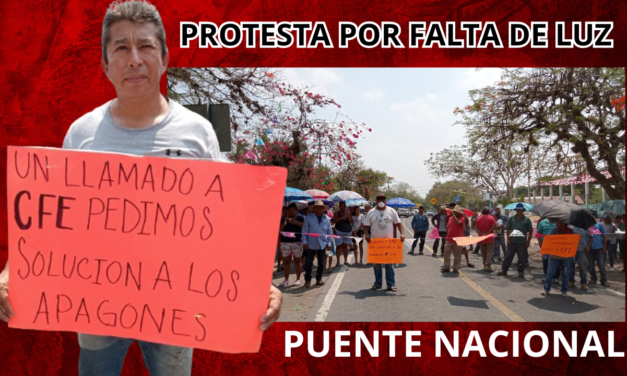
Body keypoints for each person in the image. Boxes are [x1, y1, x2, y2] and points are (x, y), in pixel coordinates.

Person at [0, 2, 282, 374]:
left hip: (178, 309)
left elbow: (223, 221)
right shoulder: (81, 133)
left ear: (164, 58)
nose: (135, 59)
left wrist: (258, 283)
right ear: (105, 64)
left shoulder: (197, 133)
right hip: (95, 306)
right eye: (121, 48)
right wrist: (12, 272)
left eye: (146, 46)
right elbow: (52, 220)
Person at [364, 194, 404, 292]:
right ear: (376, 201)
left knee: (389, 264)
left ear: (386, 201)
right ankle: (377, 283)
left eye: (383, 199)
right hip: (376, 244)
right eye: (379, 199)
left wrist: (402, 234)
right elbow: (365, 226)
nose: (381, 201)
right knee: (377, 264)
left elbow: (398, 224)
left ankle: (391, 284)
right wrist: (366, 234)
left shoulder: (391, 211)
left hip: (389, 243)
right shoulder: (371, 212)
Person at [302, 201, 334, 287]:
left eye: (320, 207)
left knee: (321, 263)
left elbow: (329, 232)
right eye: (317, 207)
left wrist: (329, 243)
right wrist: (304, 242)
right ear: (314, 208)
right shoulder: (309, 217)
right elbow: (304, 230)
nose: (319, 208)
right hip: (310, 243)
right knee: (308, 262)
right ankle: (307, 280)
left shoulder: (327, 219)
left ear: (323, 208)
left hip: (322, 243)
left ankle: (319, 279)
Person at [498, 203, 533, 278]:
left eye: (521, 210)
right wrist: (508, 240)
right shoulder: (511, 219)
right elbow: (508, 230)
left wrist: (528, 242)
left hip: (522, 243)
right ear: (516, 210)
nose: (519, 211)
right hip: (512, 242)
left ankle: (521, 272)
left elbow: (530, 231)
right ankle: (504, 270)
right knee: (508, 256)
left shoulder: (527, 220)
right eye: (518, 209)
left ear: (523, 210)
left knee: (521, 258)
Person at [542, 219, 575, 297]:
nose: (556, 224)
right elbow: (548, 241)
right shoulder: (553, 231)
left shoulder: (571, 232)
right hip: (554, 256)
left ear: (564, 224)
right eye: (556, 223)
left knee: (566, 274)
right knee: (550, 272)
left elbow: (573, 243)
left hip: (566, 257)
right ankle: (546, 289)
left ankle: (564, 291)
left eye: (558, 223)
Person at [279, 203, 304, 287]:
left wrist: (295, 222)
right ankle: (286, 279)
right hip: (285, 242)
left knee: (297, 261)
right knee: (286, 262)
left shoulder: (300, 218)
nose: (291, 212)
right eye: (289, 210)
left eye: (293, 210)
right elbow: (280, 230)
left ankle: (298, 279)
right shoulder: (283, 219)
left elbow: (304, 227)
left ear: (296, 211)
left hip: (297, 242)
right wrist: (285, 222)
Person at [441, 205, 466, 274]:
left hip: (458, 239)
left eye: (456, 212)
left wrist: (453, 215)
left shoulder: (462, 218)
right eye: (454, 212)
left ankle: (456, 268)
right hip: (449, 239)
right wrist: (446, 236)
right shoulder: (450, 218)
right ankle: (446, 267)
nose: (454, 213)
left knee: (457, 254)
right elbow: (448, 227)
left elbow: (458, 223)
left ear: (459, 213)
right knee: (446, 253)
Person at [587, 219, 608, 286]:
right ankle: (593, 278)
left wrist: (604, 247)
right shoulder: (584, 226)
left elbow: (605, 235)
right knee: (590, 265)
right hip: (589, 249)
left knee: (601, 265)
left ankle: (603, 280)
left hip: (599, 248)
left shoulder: (599, 225)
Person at [332, 201, 354, 267]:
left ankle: (345, 260)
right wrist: (342, 218)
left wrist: (347, 213)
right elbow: (334, 221)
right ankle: (338, 261)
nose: (343, 207)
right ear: (339, 206)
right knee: (338, 246)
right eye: (342, 206)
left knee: (345, 246)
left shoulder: (348, 213)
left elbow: (351, 221)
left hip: (347, 232)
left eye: (344, 206)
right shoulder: (336, 213)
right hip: (339, 231)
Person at [537, 217, 559, 282]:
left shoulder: (558, 223)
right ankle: (546, 275)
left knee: (556, 260)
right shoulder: (542, 222)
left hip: (556, 245)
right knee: (545, 260)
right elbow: (538, 233)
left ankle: (556, 277)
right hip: (545, 245)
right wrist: (540, 242)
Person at [475, 207, 496, 272]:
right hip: (489, 237)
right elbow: (493, 226)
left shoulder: (478, 218)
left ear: (482, 212)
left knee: (483, 252)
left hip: (481, 237)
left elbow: (476, 228)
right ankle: (488, 265)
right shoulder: (491, 218)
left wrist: (480, 233)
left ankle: (485, 264)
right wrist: (488, 232)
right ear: (489, 212)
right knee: (489, 251)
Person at [569, 225, 590, 290]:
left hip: (581, 250)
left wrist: (588, 246)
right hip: (571, 250)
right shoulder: (569, 227)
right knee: (570, 267)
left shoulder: (586, 228)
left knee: (582, 267)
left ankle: (583, 283)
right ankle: (571, 282)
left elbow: (591, 237)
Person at [276, 206, 288, 273]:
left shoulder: (289, 218)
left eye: (287, 211)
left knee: (286, 251)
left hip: (288, 236)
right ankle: (278, 265)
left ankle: (283, 264)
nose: (286, 212)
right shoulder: (279, 218)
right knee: (280, 252)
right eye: (285, 211)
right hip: (280, 236)